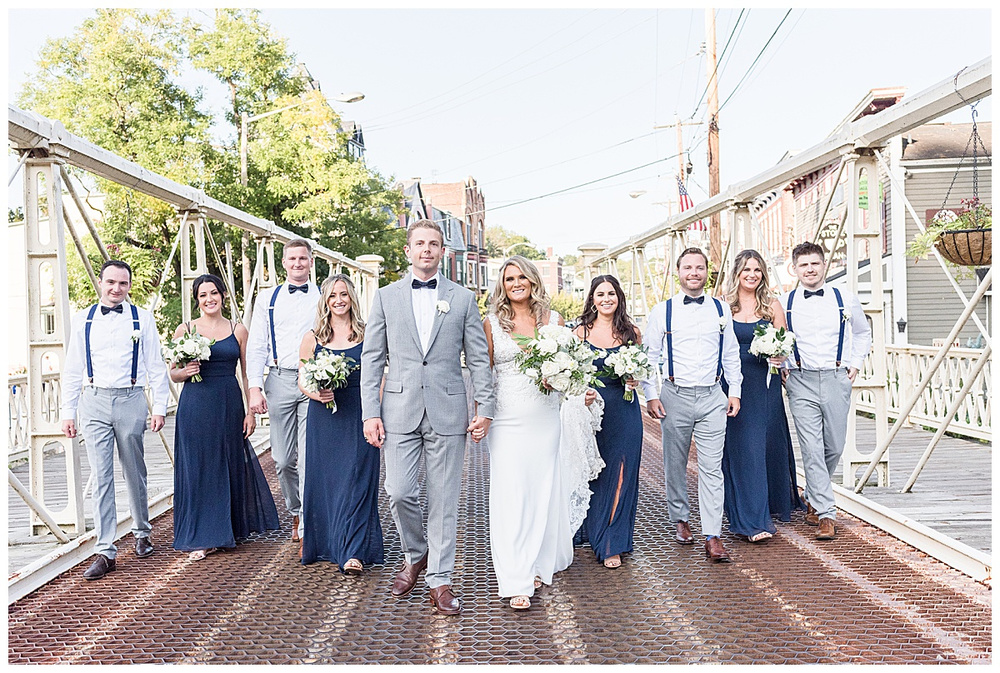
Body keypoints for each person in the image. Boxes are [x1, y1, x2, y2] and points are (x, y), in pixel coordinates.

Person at [361, 219, 494, 616]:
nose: (426, 250)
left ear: (442, 252)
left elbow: (479, 359)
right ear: (408, 250)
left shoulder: (463, 298)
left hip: (448, 410)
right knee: (399, 491)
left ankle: (440, 579)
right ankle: (416, 553)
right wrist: (371, 412)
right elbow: (372, 358)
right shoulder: (386, 297)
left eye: (434, 244)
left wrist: (484, 407)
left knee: (444, 500)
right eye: (419, 244)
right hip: (398, 410)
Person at [483, 256, 588, 609]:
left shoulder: (554, 321)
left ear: (532, 280)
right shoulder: (491, 323)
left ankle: (540, 564)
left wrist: (564, 381)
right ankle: (515, 578)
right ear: (503, 284)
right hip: (507, 418)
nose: (516, 283)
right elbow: (483, 375)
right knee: (512, 494)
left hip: (546, 416)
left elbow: (572, 367)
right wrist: (481, 415)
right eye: (509, 278)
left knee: (543, 489)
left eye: (522, 277)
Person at [60, 260, 171, 580]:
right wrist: (68, 412)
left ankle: (141, 531)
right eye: (110, 282)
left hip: (131, 400)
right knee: (101, 474)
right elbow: (72, 369)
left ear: (129, 285)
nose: (115, 289)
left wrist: (159, 407)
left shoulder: (142, 318)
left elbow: (155, 365)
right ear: (100, 282)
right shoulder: (84, 319)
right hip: (93, 400)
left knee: (134, 469)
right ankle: (105, 550)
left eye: (122, 283)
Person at [641, 247, 742, 563]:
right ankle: (680, 518)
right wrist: (651, 394)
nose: (694, 273)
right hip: (675, 394)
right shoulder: (663, 311)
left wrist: (734, 390)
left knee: (713, 468)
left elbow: (730, 353)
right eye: (688, 267)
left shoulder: (720, 309)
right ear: (678, 272)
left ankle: (712, 535)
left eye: (699, 268)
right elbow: (648, 357)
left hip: (713, 395)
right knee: (675, 461)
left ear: (706, 272)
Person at [170, 274, 279, 560]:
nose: (209, 299)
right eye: (203, 295)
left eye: (214, 293)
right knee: (199, 467)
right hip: (196, 404)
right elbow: (172, 371)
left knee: (227, 463)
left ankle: (226, 529)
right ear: (197, 300)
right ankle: (203, 534)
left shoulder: (238, 329)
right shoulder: (186, 329)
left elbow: (246, 372)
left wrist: (250, 411)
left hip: (229, 402)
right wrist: (186, 372)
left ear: (222, 296)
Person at [781, 242, 871, 541]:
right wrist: (782, 363)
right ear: (795, 269)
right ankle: (826, 514)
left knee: (834, 444)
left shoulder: (844, 298)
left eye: (815, 264)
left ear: (824, 266)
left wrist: (855, 363)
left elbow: (862, 332)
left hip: (836, 378)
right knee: (810, 447)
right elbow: (777, 339)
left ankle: (811, 494)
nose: (810, 269)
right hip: (801, 379)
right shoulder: (785, 302)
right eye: (803, 265)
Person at [298, 274, 383, 573]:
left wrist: (379, 414)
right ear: (325, 300)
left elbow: (379, 378)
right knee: (329, 483)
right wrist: (317, 393)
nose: (339, 300)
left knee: (358, 482)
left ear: (352, 298)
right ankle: (328, 543)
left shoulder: (368, 333)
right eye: (333, 295)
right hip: (324, 418)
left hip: (359, 416)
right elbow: (302, 380)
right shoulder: (313, 337)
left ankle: (354, 552)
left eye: (344, 294)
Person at [720, 250, 802, 544]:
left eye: (757, 270)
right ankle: (750, 518)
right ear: (737, 274)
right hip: (734, 385)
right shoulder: (723, 308)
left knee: (764, 446)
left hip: (764, 384)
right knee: (742, 449)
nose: (752, 275)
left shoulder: (772, 306)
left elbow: (784, 343)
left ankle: (766, 504)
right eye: (746, 270)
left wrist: (780, 357)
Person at [246, 239, 317, 542]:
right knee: (284, 459)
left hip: (315, 380)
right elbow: (256, 345)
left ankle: (312, 519)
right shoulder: (268, 298)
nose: (298, 263)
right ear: (284, 263)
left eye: (303, 258)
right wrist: (254, 388)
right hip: (279, 379)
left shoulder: (324, 295)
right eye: (292, 259)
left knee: (311, 455)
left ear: (311, 262)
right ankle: (296, 510)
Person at [573, 274, 643, 570]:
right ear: (592, 299)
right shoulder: (580, 334)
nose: (606, 299)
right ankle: (588, 527)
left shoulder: (632, 333)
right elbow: (572, 375)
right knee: (591, 472)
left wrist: (635, 377)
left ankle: (612, 539)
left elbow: (642, 370)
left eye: (611, 294)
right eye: (600, 294)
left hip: (624, 409)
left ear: (619, 298)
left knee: (622, 472)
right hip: (590, 410)